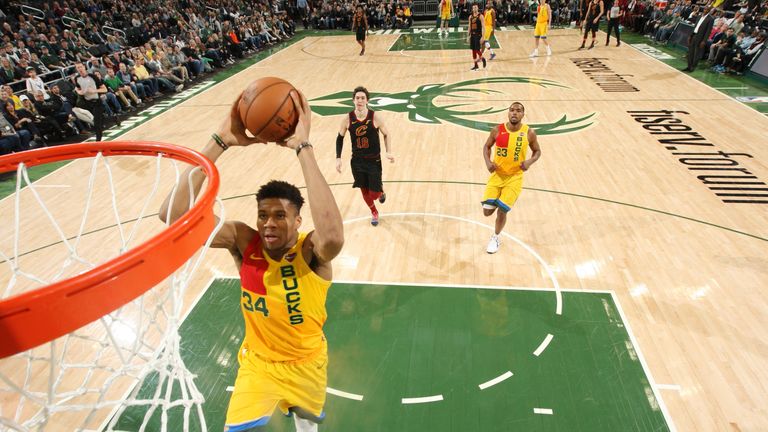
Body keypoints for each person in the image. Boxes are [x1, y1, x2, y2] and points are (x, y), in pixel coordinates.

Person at [159, 90, 344, 432]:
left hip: (307, 364)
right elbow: (172, 215)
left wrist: (303, 147)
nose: (269, 223)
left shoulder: (310, 252)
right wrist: (221, 140)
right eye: (263, 215)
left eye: (280, 215)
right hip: (258, 365)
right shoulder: (244, 241)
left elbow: (333, 235)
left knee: (307, 424)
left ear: (299, 221)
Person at [481, 102, 541, 254]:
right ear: (508, 113)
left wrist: (530, 161)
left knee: (502, 211)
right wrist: (488, 162)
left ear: (523, 114)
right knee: (487, 212)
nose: (514, 113)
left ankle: (495, 237)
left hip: (515, 177)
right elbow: (486, 147)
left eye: (518, 111)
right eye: (512, 110)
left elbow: (537, 151)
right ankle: (496, 201)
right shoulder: (497, 130)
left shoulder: (529, 132)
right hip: (497, 176)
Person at [335, 86, 394, 226]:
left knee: (373, 194)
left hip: (374, 161)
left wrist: (388, 151)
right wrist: (338, 158)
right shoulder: (347, 119)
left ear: (367, 101)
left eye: (362, 98)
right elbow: (339, 138)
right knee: (364, 191)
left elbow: (387, 134)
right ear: (353, 100)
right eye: (357, 98)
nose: (360, 100)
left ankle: (380, 192)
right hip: (357, 162)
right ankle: (374, 212)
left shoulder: (374, 117)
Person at [683, 6, 714, 72]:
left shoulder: (710, 19)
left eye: (707, 9)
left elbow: (708, 31)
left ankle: (693, 67)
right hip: (694, 35)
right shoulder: (699, 16)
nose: (705, 10)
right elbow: (695, 26)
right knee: (690, 52)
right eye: (705, 9)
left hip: (701, 38)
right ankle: (688, 66)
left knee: (696, 53)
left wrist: (704, 41)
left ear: (709, 10)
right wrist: (690, 36)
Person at [467, 4, 487, 71]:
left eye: (476, 7)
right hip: (472, 35)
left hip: (478, 35)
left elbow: (484, 27)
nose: (474, 9)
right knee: (473, 50)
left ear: (478, 8)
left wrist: (483, 37)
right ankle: (476, 65)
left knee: (477, 49)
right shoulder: (470, 17)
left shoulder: (481, 16)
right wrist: (468, 36)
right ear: (472, 9)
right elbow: (469, 27)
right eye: (473, 8)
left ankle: (483, 58)